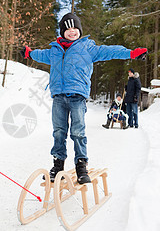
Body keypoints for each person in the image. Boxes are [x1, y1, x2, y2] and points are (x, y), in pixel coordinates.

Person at [20, 12, 147, 184]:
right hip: (58, 96)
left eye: (75, 28)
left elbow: (109, 51)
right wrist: (29, 53)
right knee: (59, 132)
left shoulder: (88, 48)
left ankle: (81, 165)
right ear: (62, 32)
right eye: (68, 29)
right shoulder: (55, 51)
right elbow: (40, 55)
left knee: (78, 132)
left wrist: (131, 53)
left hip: (77, 97)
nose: (72, 32)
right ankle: (58, 165)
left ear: (79, 30)